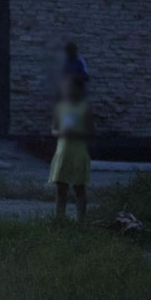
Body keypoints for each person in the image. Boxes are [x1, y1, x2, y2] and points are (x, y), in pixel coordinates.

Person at [50, 75, 93, 221]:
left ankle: (80, 221)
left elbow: (91, 131)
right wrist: (62, 132)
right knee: (61, 188)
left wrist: (77, 133)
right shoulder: (60, 108)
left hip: (78, 152)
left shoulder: (84, 108)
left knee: (79, 188)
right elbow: (54, 130)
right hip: (63, 151)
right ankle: (59, 219)